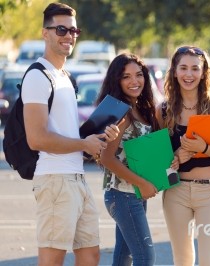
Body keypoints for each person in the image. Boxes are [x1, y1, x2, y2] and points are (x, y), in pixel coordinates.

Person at [22, 3, 120, 266]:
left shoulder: (64, 76)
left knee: (90, 255)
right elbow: (37, 138)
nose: (69, 36)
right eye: (61, 29)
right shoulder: (38, 76)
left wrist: (97, 137)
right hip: (54, 180)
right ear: (45, 33)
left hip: (76, 177)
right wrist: (83, 144)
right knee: (52, 260)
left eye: (74, 30)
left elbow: (65, 132)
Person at [155, 46, 210, 266]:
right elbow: (158, 161)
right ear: (174, 71)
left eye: (195, 68)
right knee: (182, 260)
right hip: (176, 191)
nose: (188, 74)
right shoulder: (163, 110)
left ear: (204, 73)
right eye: (183, 68)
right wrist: (173, 157)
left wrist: (204, 148)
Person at [98, 53, 178, 266]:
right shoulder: (121, 112)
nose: (134, 81)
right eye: (126, 77)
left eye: (139, 75)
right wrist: (142, 183)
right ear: (117, 80)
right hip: (122, 195)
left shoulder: (141, 108)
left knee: (124, 258)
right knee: (145, 257)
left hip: (132, 195)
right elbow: (106, 158)